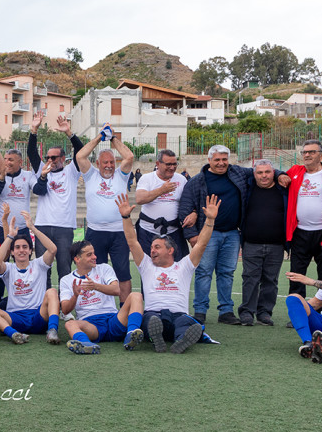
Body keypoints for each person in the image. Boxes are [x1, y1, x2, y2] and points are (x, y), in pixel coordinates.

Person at [179, 145, 289, 324]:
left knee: (227, 273)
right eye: (217, 160)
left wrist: (280, 175)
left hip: (232, 234)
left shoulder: (237, 173)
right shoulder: (197, 181)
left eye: (224, 159)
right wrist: (192, 236)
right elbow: (185, 207)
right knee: (204, 272)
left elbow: (263, 171)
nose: (221, 163)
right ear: (209, 161)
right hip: (207, 234)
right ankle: (200, 311)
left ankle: (226, 312)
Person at [117, 193, 221, 354]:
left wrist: (210, 220)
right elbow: (132, 241)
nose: (152, 251)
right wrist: (125, 217)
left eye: (157, 247)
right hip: (154, 313)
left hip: (179, 315)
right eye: (151, 248)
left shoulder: (184, 266)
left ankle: (182, 340)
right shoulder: (146, 265)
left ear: (170, 250)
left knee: (185, 323)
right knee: (150, 320)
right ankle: (156, 337)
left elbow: (201, 244)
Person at [283, 140, 322, 329]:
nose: (307, 155)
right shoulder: (295, 172)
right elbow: (280, 176)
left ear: (321, 155)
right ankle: (298, 315)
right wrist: (280, 177)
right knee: (296, 274)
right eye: (304, 152)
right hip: (300, 233)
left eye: (311, 152)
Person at [75, 123, 135, 302]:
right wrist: (100, 137)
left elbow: (129, 156)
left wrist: (113, 138)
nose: (109, 166)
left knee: (123, 272)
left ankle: (125, 309)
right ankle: (99, 306)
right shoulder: (90, 174)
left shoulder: (121, 174)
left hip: (119, 232)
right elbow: (80, 155)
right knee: (95, 271)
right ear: (97, 164)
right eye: (105, 162)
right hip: (96, 232)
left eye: (112, 162)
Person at [0, 207, 62, 344]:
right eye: (18, 247)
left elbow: (53, 249)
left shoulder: (39, 264)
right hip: (16, 317)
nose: (21, 250)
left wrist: (32, 227)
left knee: (52, 292)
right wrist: (10, 236)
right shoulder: (9, 268)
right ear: (12, 252)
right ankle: (14, 334)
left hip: (38, 315)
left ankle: (52, 331)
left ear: (30, 251)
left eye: (25, 247)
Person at [59, 240, 145, 354]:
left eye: (94, 253)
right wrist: (75, 296)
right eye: (89, 255)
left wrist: (95, 286)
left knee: (136, 295)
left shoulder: (104, 268)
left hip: (113, 320)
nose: (94, 257)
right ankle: (87, 345)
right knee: (69, 324)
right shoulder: (66, 280)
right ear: (77, 259)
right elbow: (65, 310)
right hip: (91, 325)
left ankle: (131, 335)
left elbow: (116, 290)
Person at [29, 110, 84, 280]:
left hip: (64, 227)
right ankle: (45, 303)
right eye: (48, 157)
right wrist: (34, 130)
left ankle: (63, 303)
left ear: (63, 158)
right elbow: (31, 152)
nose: (51, 160)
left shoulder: (71, 171)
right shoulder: (41, 170)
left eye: (54, 157)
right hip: (42, 226)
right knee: (42, 268)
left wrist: (69, 133)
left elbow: (81, 151)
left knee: (64, 268)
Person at [238, 160, 287, 326]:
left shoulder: (283, 190)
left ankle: (264, 312)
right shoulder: (248, 188)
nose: (264, 175)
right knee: (250, 278)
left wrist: (281, 174)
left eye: (267, 172)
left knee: (271, 280)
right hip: (251, 243)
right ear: (254, 174)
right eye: (260, 172)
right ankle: (247, 312)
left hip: (276, 245)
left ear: (273, 172)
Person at [135, 150, 188, 261]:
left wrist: (194, 213)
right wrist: (161, 190)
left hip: (173, 232)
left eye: (174, 164)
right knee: (148, 268)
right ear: (158, 164)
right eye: (168, 164)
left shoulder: (181, 180)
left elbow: (189, 202)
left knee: (176, 267)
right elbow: (140, 199)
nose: (172, 167)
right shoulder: (147, 178)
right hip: (148, 232)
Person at [0, 147, 37, 248]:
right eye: (5, 159)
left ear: (20, 162)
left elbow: (38, 190)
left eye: (10, 159)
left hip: (22, 228)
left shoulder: (28, 175)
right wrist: (2, 177)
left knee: (23, 260)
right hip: (0, 227)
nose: (7, 162)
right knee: (0, 261)